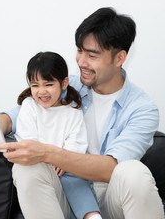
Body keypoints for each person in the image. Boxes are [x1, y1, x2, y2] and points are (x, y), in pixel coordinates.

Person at [0, 7, 164, 219]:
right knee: (26, 168)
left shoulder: (142, 109)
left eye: (92, 55)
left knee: (133, 172)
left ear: (119, 58)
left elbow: (110, 169)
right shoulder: (66, 85)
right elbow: (14, 117)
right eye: (80, 50)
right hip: (64, 196)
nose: (81, 61)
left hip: (112, 199)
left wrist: (48, 152)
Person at [13, 51, 101, 219]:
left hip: (66, 167)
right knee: (30, 169)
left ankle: (91, 215)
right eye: (35, 85)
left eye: (48, 84)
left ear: (64, 83)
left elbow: (77, 139)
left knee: (77, 180)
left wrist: (65, 156)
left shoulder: (73, 109)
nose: (41, 91)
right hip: (41, 167)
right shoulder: (29, 106)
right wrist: (51, 158)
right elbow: (28, 139)